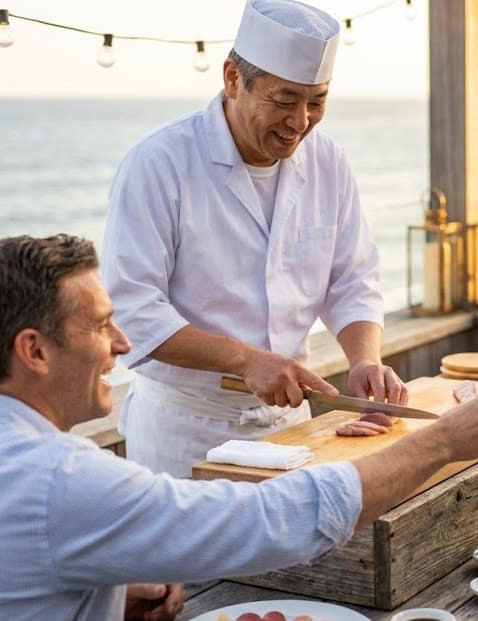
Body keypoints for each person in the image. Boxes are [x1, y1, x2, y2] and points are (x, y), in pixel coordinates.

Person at [0, 234, 478, 620]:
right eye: (100, 325)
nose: (122, 343)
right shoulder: (59, 478)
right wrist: (441, 440)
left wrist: (104, 594)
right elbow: (264, 520)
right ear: (34, 350)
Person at [102, 0, 405, 477]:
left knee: (303, 554)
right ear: (232, 79)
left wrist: (365, 359)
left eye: (317, 101)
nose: (301, 121)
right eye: (284, 100)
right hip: (185, 430)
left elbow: (352, 278)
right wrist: (245, 360)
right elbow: (132, 309)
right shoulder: (158, 163)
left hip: (292, 426)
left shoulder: (328, 162)